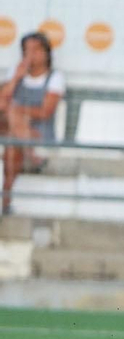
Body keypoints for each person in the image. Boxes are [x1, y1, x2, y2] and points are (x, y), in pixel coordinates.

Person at [0, 32, 65, 214]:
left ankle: (5, 200)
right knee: (13, 144)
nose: (31, 55)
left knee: (12, 117)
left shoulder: (55, 78)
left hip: (38, 133)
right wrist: (15, 79)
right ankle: (31, 156)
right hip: (14, 135)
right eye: (27, 50)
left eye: (36, 50)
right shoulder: (16, 72)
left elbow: (45, 112)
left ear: (46, 53)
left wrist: (18, 109)